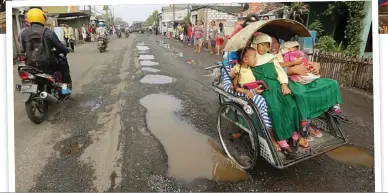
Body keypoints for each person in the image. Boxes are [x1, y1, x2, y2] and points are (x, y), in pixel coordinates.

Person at [249, 33, 308, 151]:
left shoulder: (271, 57)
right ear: (255, 45)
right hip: (266, 89)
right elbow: (248, 77)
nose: (266, 48)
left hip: (277, 85)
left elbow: (280, 72)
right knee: (275, 110)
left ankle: (293, 133)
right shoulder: (250, 59)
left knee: (291, 105)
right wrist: (254, 88)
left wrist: (284, 85)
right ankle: (281, 139)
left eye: (268, 45)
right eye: (263, 45)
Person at [20, 8, 72, 94]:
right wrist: (66, 49)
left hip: (30, 64)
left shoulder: (23, 33)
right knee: (64, 66)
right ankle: (65, 89)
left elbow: (22, 48)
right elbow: (59, 46)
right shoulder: (48, 32)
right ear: (42, 18)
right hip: (48, 64)